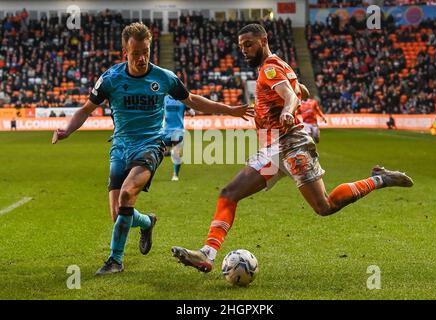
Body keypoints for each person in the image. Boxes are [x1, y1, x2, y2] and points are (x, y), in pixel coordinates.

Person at [172, 24, 414, 273]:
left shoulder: (269, 68)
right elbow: (300, 90)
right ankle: (207, 254)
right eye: (241, 46)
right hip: (272, 149)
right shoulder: (277, 66)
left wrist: (288, 108)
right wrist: (293, 94)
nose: (244, 50)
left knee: (325, 207)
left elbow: (291, 95)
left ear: (264, 40)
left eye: (249, 44)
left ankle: (379, 179)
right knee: (228, 194)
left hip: (291, 144)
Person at [52, 22, 252, 275]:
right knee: (118, 216)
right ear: (125, 52)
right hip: (120, 147)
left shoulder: (164, 77)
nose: (142, 58)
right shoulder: (111, 78)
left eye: (146, 51)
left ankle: (115, 260)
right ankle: (147, 222)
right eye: (136, 53)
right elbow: (85, 109)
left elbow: (192, 100)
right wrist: (67, 129)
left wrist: (229, 110)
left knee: (126, 196)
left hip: (151, 146)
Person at [162, 95, 195, 181]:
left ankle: (175, 175)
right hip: (166, 131)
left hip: (178, 131)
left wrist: (190, 111)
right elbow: (192, 113)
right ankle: (169, 153)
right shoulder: (164, 99)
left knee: (175, 152)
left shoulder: (181, 100)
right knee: (165, 153)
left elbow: (192, 112)